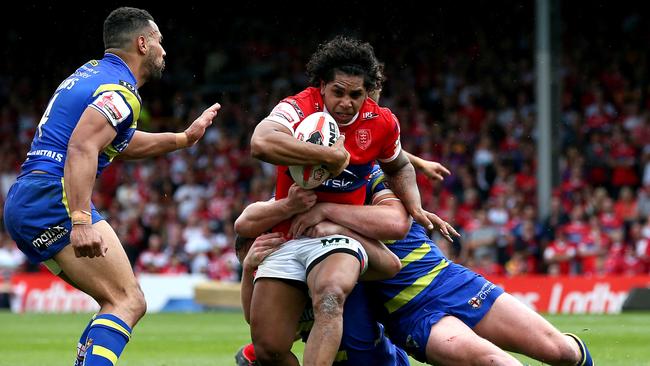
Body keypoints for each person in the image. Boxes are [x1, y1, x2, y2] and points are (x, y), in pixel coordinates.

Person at [2, 7, 220, 366]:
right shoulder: (121, 90)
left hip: (27, 198)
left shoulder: (91, 75)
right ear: (142, 43)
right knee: (129, 300)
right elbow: (83, 146)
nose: (164, 50)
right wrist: (81, 220)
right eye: (159, 42)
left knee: (114, 301)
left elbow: (116, 141)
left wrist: (182, 139)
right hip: (52, 195)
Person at [249, 35, 450, 366]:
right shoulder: (297, 106)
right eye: (338, 92)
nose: (346, 102)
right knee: (269, 348)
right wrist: (328, 155)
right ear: (322, 85)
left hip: (337, 236)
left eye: (356, 95)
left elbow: (398, 165)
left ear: (366, 93)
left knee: (331, 296)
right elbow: (260, 142)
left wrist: (414, 205)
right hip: (289, 233)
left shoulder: (382, 121)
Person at [291, 164, 594, 366]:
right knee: (496, 362)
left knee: (561, 351)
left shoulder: (373, 173)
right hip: (412, 316)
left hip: (451, 280)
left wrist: (330, 215)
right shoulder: (303, 200)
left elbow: (395, 224)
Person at [232, 184, 411, 366]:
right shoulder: (284, 290)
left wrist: (339, 230)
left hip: (379, 359)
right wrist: (247, 270)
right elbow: (253, 319)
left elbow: (391, 264)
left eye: (259, 267)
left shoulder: (332, 255)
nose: (259, 273)